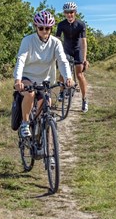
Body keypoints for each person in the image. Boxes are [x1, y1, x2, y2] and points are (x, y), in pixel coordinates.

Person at [14, 10, 74, 138]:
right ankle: (25, 123)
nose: (44, 31)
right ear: (36, 27)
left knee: (47, 111)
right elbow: (21, 59)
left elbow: (62, 61)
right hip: (27, 77)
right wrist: (18, 80)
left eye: (47, 28)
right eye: (41, 28)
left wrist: (69, 78)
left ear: (51, 29)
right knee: (30, 93)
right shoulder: (28, 40)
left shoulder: (55, 42)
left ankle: (48, 150)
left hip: (45, 80)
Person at [55, 1, 90, 112]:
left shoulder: (80, 24)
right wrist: (56, 55)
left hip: (77, 50)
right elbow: (57, 40)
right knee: (63, 72)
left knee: (79, 75)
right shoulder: (61, 24)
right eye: (67, 12)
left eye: (71, 12)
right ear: (64, 13)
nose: (69, 14)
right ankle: (61, 91)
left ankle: (84, 100)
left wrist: (84, 59)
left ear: (75, 12)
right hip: (66, 49)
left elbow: (84, 42)